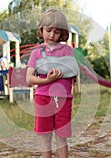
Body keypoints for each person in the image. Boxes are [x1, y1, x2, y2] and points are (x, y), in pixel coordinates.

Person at [26, 8, 76, 158]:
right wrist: (47, 80)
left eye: (57, 32)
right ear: (41, 30)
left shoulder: (68, 51)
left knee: (62, 137)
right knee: (45, 137)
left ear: (62, 33)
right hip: (43, 98)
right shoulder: (37, 52)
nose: (52, 35)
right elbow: (29, 78)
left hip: (63, 99)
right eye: (48, 30)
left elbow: (73, 73)